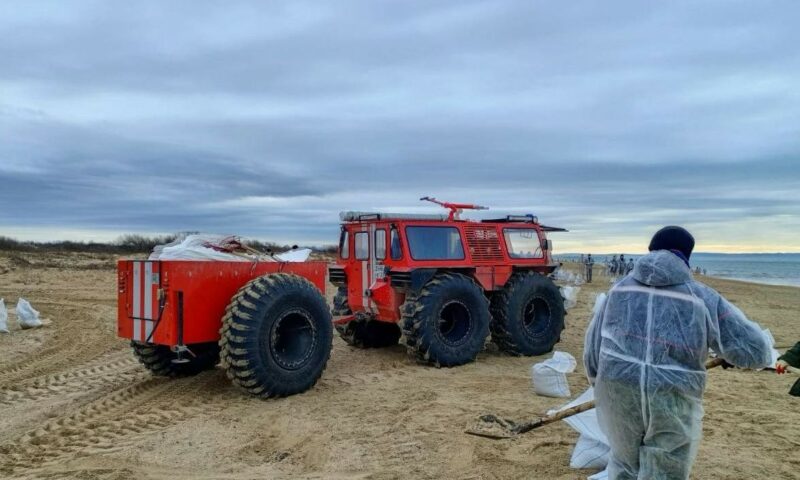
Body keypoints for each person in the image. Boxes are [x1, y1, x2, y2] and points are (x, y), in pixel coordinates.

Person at [583, 226, 772, 480]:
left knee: (624, 465)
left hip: (617, 391)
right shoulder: (701, 297)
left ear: (650, 252)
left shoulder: (618, 291)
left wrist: (601, 386)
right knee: (665, 469)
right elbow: (755, 350)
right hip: (672, 399)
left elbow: (592, 351)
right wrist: (729, 353)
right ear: (686, 257)